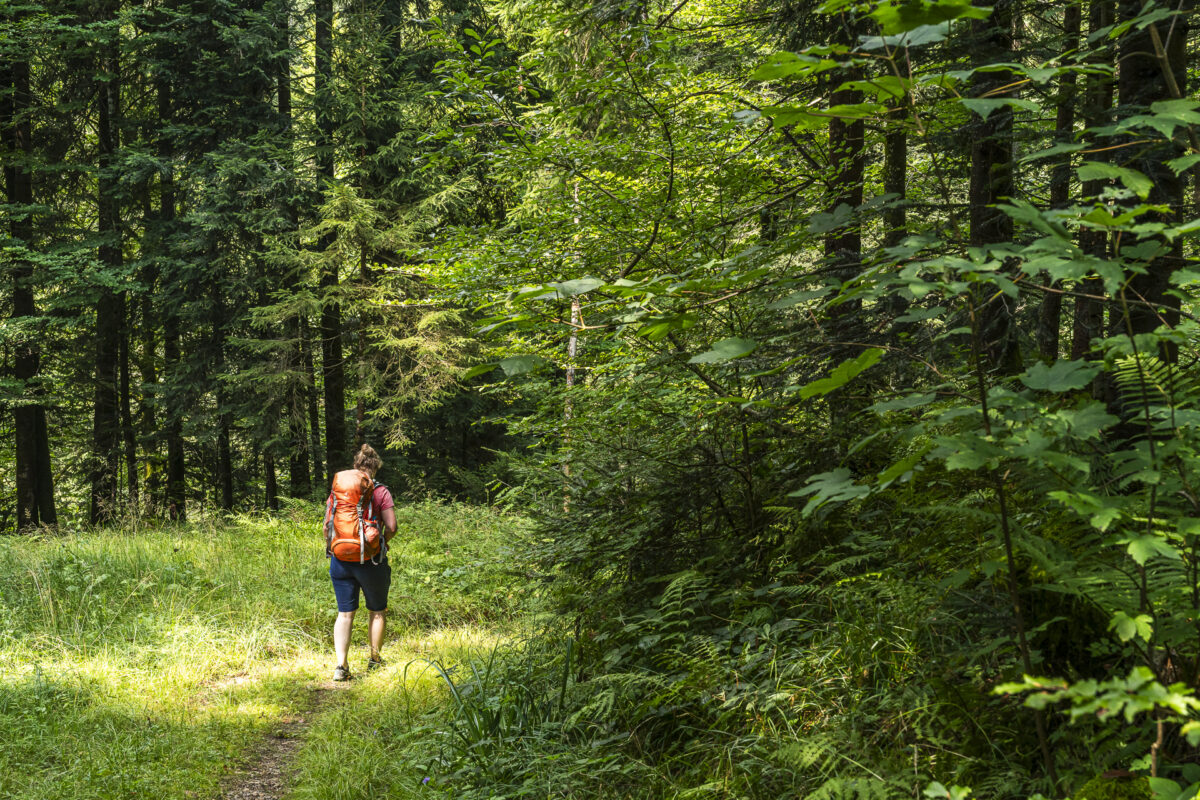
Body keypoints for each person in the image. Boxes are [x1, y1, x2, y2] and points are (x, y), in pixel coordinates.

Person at [329, 443, 397, 681]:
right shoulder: (380, 491)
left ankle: (341, 666)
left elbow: (329, 522)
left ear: (357, 467)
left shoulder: (339, 490)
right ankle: (375, 660)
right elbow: (392, 527)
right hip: (372, 561)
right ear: (375, 468)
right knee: (377, 611)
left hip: (340, 558)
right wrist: (380, 543)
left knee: (345, 613)